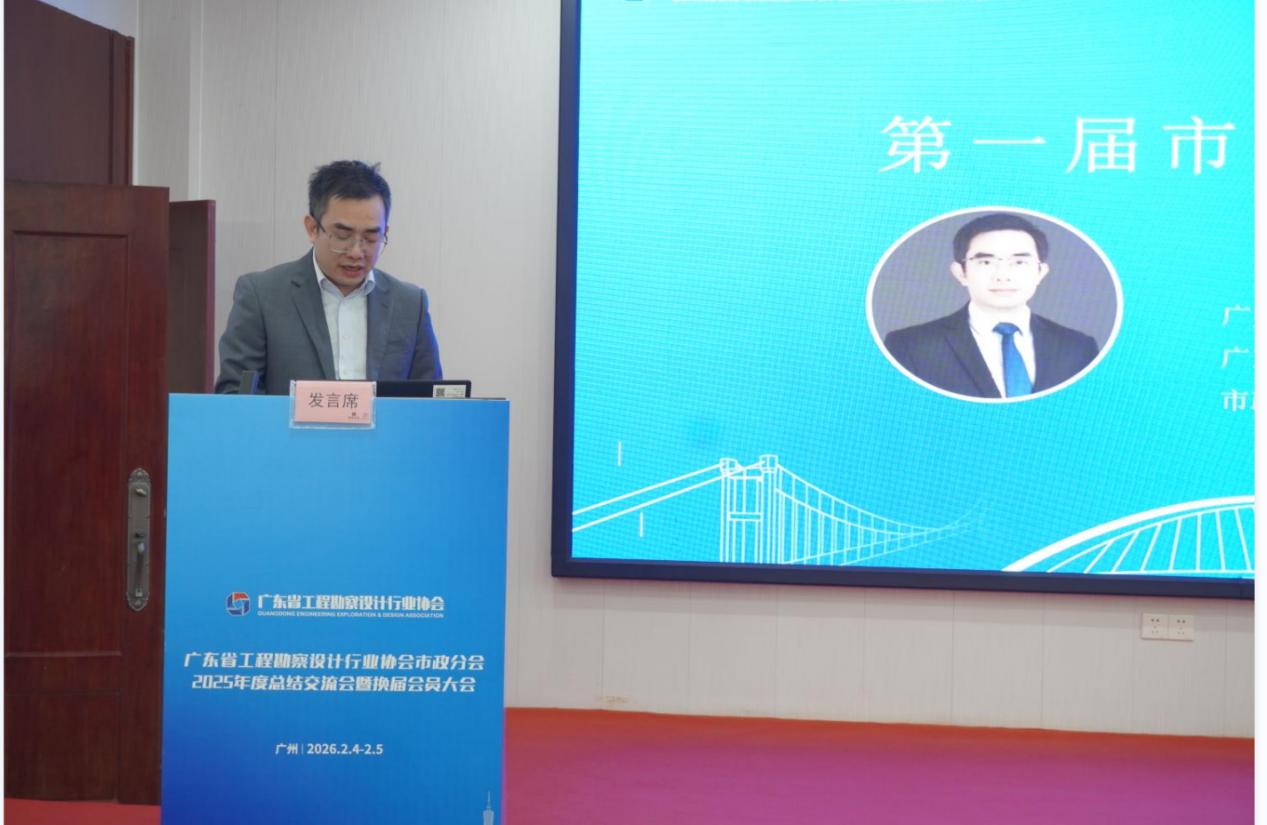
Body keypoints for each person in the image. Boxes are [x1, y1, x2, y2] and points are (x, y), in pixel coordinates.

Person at [214, 160, 441, 394]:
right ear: (312, 228)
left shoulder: (410, 304)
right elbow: (235, 394)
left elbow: (432, 399)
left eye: (371, 238)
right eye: (342, 236)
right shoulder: (262, 296)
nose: (356, 252)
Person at [883, 213, 1098, 399]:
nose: (1003, 276)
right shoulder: (911, 346)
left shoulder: (1077, 348)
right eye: (986, 262)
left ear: (1040, 273)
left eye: (1019, 262)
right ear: (961, 273)